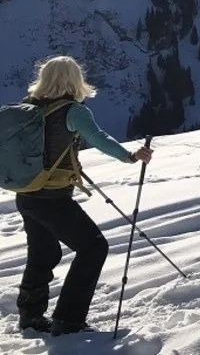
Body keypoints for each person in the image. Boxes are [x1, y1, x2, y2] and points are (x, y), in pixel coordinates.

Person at [13, 56, 153, 335]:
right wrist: (130, 156)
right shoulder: (73, 111)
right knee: (93, 248)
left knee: (43, 253)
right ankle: (68, 320)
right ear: (74, 80)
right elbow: (98, 138)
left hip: (26, 195)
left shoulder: (28, 106)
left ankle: (30, 315)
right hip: (52, 198)